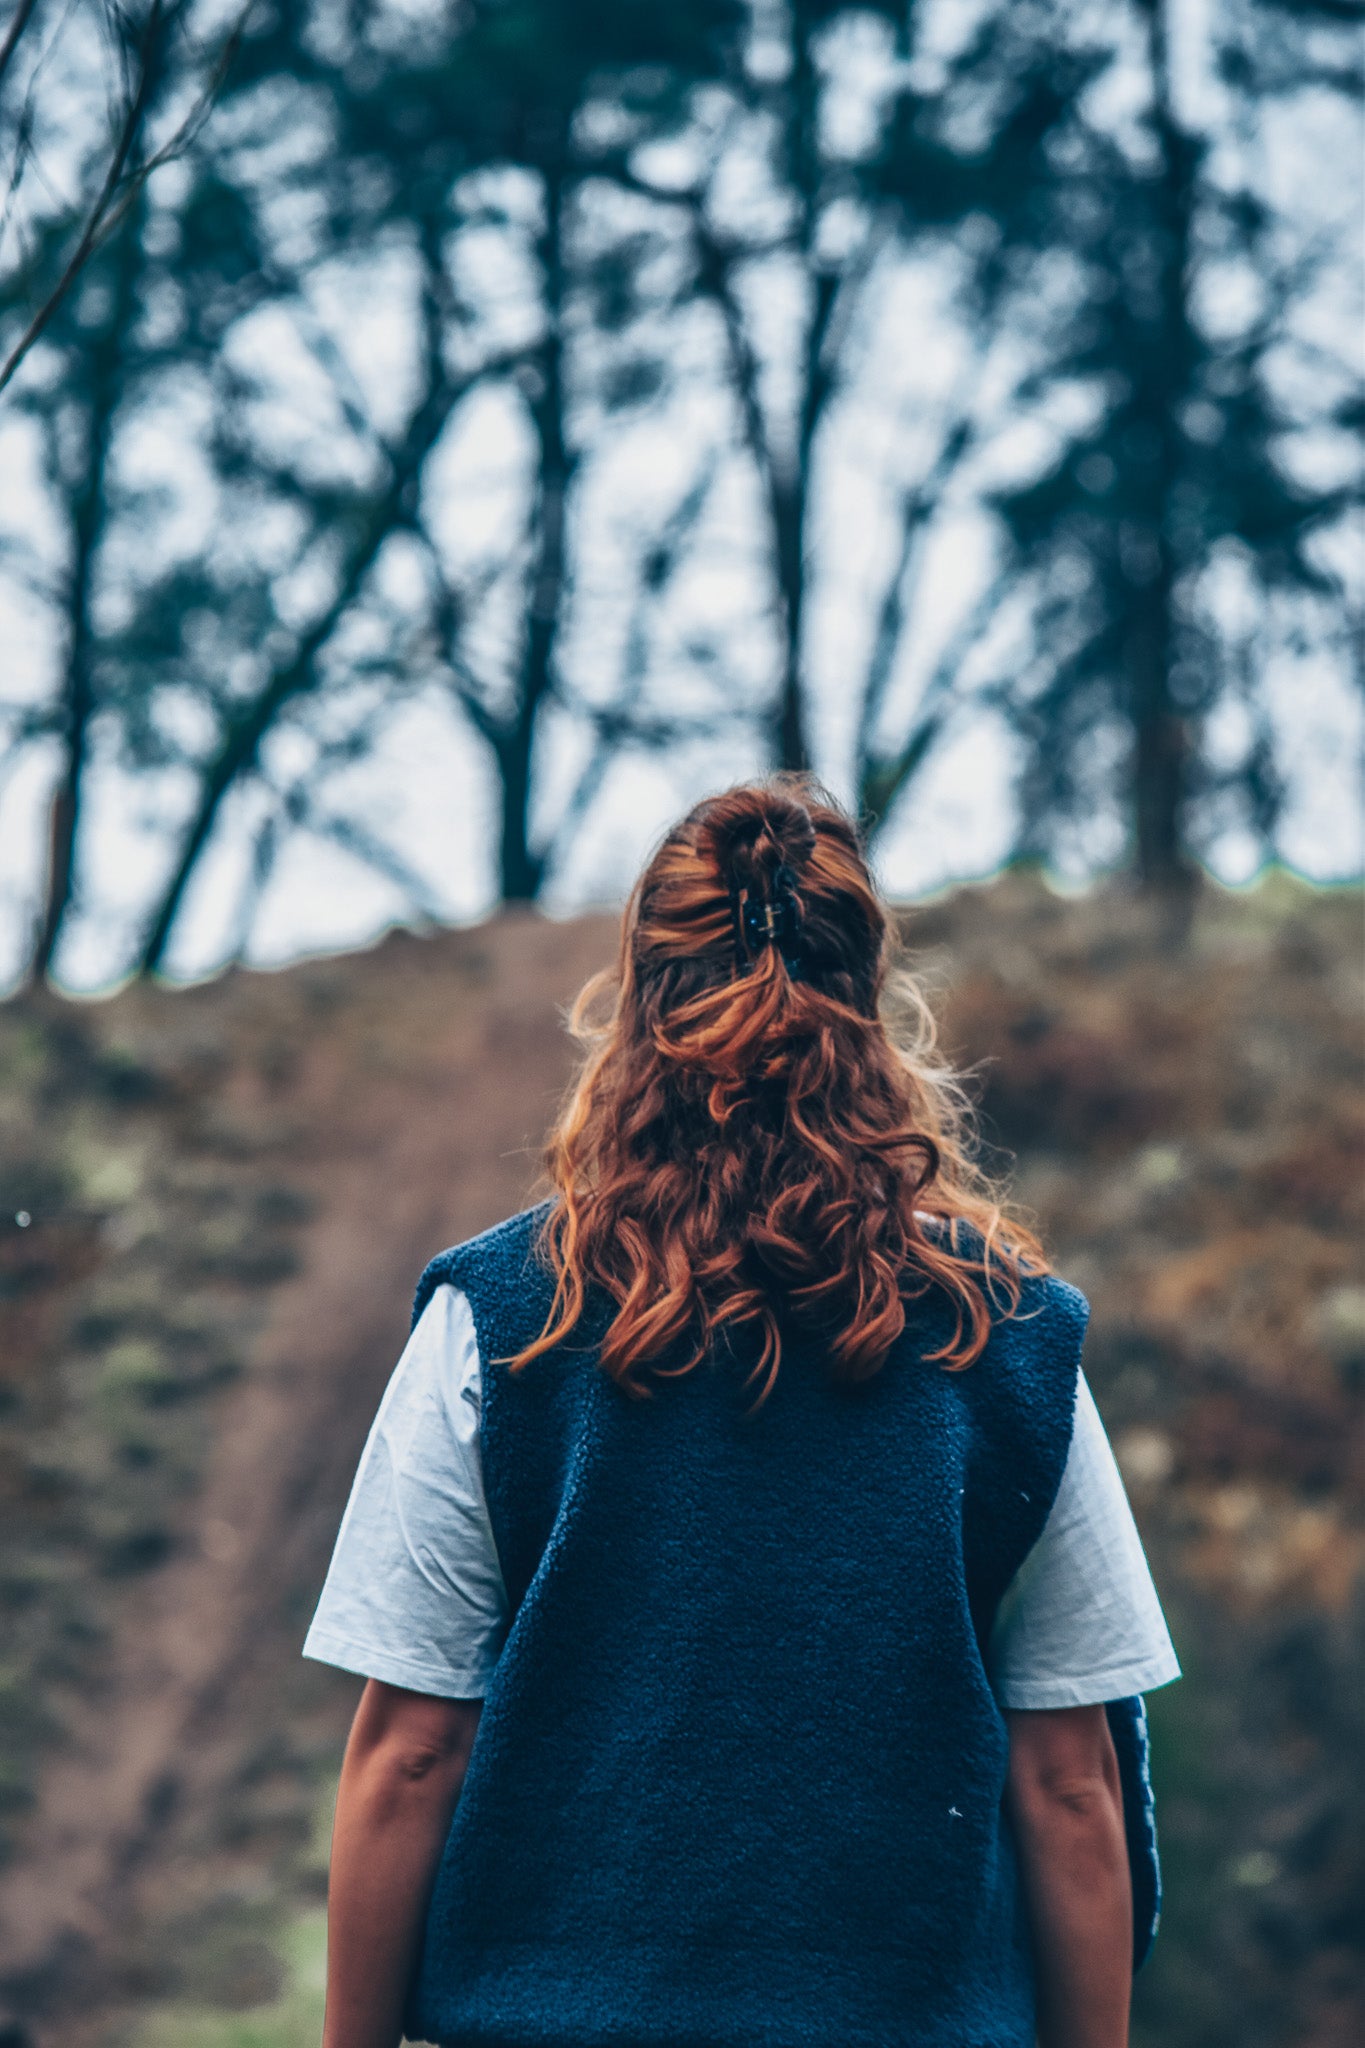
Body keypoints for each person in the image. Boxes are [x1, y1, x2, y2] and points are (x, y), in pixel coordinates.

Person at [304, 779, 1180, 2048]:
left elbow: (412, 1753)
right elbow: (1071, 1784)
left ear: (640, 1003)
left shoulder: (499, 1318)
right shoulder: (1011, 1336)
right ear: (868, 999)